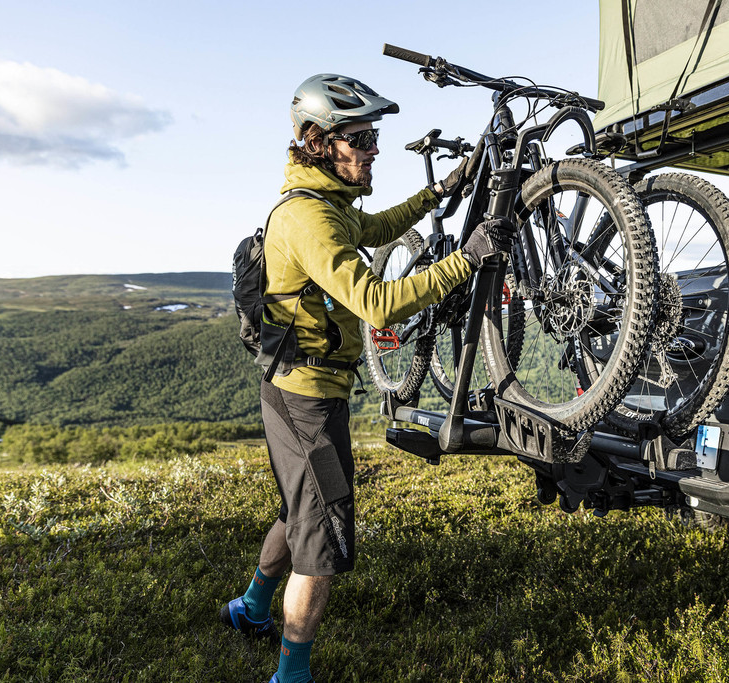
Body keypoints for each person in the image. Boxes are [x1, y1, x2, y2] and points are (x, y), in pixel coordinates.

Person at [220, 73, 514, 683]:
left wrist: (441, 191)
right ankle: (291, 675)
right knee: (321, 544)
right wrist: (469, 258)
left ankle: (249, 608)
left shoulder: (327, 205)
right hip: (306, 402)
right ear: (317, 141)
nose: (374, 148)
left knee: (298, 510)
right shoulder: (310, 219)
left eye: (374, 136)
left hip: (296, 391)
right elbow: (376, 304)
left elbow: (375, 229)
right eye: (361, 138)